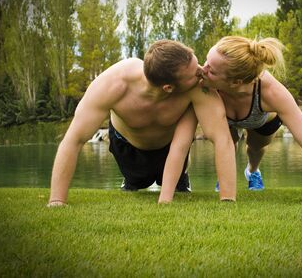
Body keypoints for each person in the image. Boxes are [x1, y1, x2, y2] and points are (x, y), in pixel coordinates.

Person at [47, 39, 236, 207]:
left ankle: (181, 178)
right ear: (168, 88)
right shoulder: (113, 84)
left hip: (171, 146)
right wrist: (57, 200)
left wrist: (228, 200)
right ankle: (131, 180)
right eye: (195, 72)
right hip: (128, 145)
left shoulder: (196, 85)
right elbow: (73, 140)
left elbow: (222, 139)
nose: (202, 71)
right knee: (137, 180)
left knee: (176, 186)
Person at [199, 36, 302, 204]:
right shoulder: (205, 82)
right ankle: (226, 175)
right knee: (228, 143)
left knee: (255, 148)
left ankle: (253, 171)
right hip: (227, 119)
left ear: (236, 82)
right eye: (206, 61)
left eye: (211, 71)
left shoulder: (271, 92)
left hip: (261, 121)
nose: (202, 70)